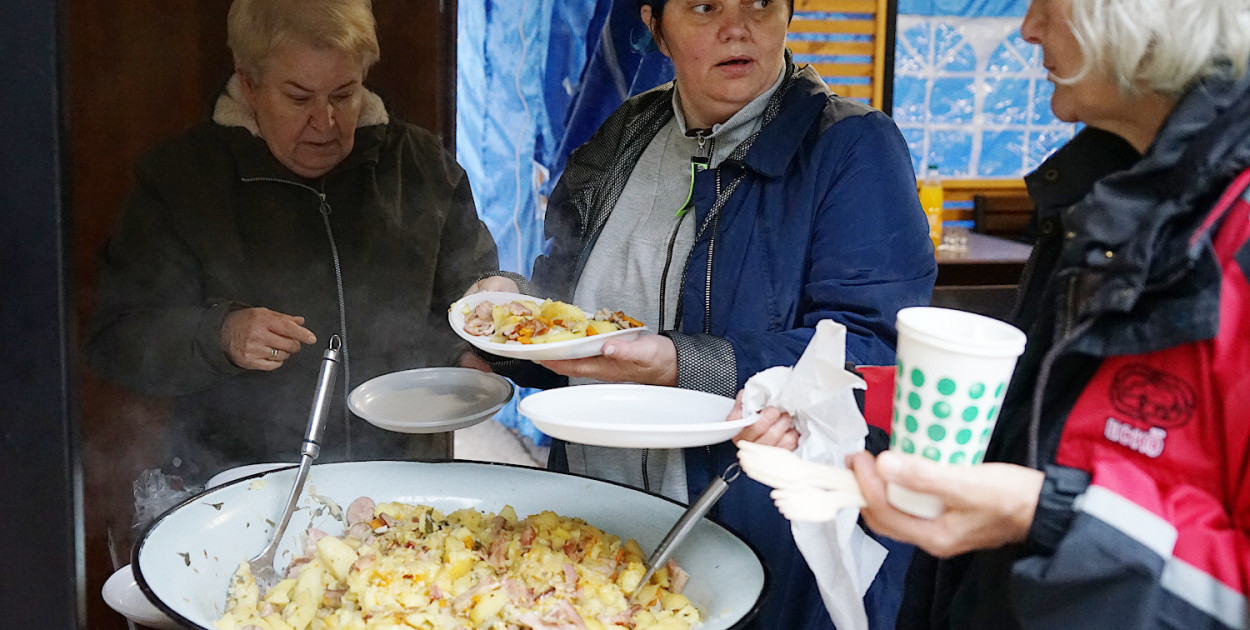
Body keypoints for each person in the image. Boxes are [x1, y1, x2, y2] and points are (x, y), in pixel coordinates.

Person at [747, 0, 1250, 626]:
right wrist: (828, 399)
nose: (1026, 26)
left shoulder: (1230, 232)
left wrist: (1042, 515)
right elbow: (1051, 414)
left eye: (1048, 2)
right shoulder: (1114, 195)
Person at [468, 1, 937, 627]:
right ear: (656, 25)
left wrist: (684, 364)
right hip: (598, 525)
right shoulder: (625, 134)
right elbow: (575, 328)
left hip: (755, 535)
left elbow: (876, 352)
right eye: (704, 6)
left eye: (760, 4)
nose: (736, 27)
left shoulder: (850, 148)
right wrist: (508, 317)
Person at [87, 0, 499, 485]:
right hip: (242, 484)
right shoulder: (181, 182)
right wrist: (221, 335)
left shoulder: (421, 166)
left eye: (344, 94)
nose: (325, 123)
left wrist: (474, 345)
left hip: (403, 478)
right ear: (248, 83)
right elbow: (117, 341)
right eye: (299, 98)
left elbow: (468, 295)